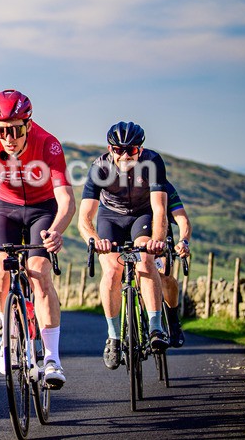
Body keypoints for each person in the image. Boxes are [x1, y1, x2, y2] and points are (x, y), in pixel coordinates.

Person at [0, 89, 75, 388]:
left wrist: (57, 230)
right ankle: (9, 336)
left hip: (43, 208)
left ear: (28, 123)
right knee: (1, 270)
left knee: (39, 272)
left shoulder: (48, 144)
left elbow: (66, 199)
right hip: (5, 207)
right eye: (1, 130)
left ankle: (52, 357)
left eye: (15, 129)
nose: (8, 137)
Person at [77, 121, 170, 370]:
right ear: (110, 149)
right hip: (111, 217)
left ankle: (155, 327)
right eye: (119, 150)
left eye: (132, 150)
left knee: (146, 259)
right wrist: (95, 240)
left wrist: (158, 239)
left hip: (143, 215)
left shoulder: (153, 162)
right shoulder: (100, 167)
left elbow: (160, 208)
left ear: (141, 149)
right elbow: (85, 217)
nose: (125, 155)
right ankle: (113, 337)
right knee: (111, 270)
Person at [156, 181, 192, 347]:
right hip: (132, 233)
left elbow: (182, 218)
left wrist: (183, 241)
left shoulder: (164, 186)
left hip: (161, 235)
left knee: (165, 275)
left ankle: (172, 321)